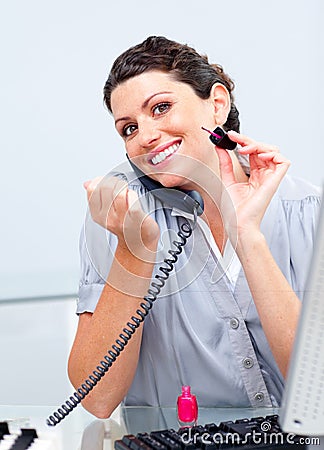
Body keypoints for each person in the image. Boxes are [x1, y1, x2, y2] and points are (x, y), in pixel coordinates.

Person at [67, 36, 321, 419]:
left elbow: (316, 391)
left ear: (217, 104)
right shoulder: (117, 221)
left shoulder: (310, 212)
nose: (146, 136)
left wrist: (247, 236)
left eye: (162, 107)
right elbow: (97, 398)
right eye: (128, 129)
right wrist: (133, 252)